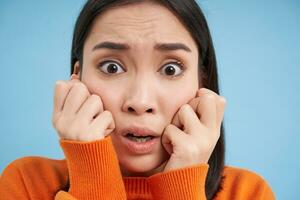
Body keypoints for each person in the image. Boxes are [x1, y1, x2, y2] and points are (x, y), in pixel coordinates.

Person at [0, 0, 275, 199]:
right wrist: (93, 173)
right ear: (77, 77)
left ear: (202, 82)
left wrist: (183, 187)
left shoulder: (248, 193)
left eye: (171, 69)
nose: (140, 101)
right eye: (111, 67)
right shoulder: (27, 184)